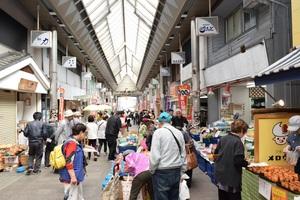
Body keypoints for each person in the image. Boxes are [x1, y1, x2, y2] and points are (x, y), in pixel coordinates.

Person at [150, 112, 186, 200]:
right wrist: (183, 170)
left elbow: (155, 155)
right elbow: (183, 153)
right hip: (176, 170)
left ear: (159, 122)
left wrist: (152, 170)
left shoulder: (158, 133)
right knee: (174, 197)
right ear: (171, 122)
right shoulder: (179, 133)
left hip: (162, 171)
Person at [214, 119, 249, 200]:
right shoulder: (238, 142)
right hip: (232, 179)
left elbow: (215, 154)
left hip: (221, 177)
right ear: (241, 130)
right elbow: (238, 161)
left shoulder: (223, 138)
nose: (244, 134)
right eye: (245, 132)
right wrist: (247, 163)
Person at [59, 123, 86, 200]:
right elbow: (69, 162)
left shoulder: (73, 142)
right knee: (72, 197)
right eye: (84, 133)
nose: (85, 135)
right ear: (81, 132)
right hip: (71, 176)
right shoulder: (71, 144)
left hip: (75, 175)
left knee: (77, 196)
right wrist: (73, 177)